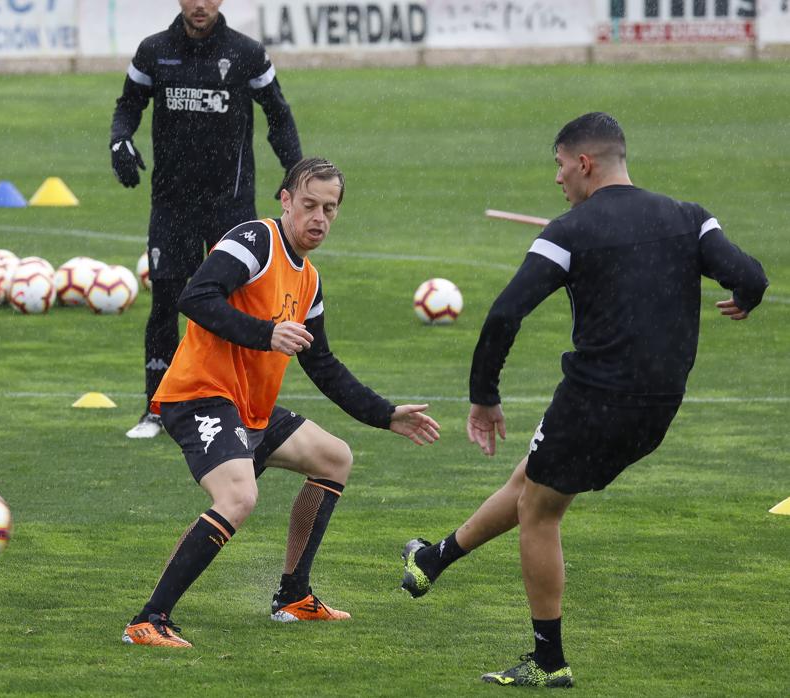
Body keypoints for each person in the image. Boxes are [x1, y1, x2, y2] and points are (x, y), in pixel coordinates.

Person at [398, 112, 768, 687]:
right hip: (659, 406)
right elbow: (750, 275)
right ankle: (432, 560)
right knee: (534, 478)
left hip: (596, 399)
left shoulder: (569, 230)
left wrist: (484, 396)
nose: (558, 178)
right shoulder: (689, 217)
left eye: (560, 165)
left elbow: (505, 313)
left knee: (539, 511)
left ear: (585, 163)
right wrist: (745, 296)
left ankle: (548, 662)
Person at [121, 158, 440, 648]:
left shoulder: (308, 279)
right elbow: (196, 297)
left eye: (329, 209)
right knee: (239, 497)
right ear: (286, 200)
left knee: (334, 458)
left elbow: (322, 363)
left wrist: (384, 414)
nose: (319, 218)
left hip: (250, 409)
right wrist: (266, 333)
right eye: (309, 204)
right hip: (200, 395)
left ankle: (293, 597)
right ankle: (148, 620)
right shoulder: (255, 240)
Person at [111, 0, 302, 438]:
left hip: (229, 207)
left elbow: (278, 114)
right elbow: (128, 105)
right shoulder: (154, 51)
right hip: (172, 205)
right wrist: (119, 140)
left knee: (234, 307)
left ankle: (237, 406)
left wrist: (295, 170)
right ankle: (156, 410)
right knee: (165, 302)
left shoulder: (247, 53)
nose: (200, 5)